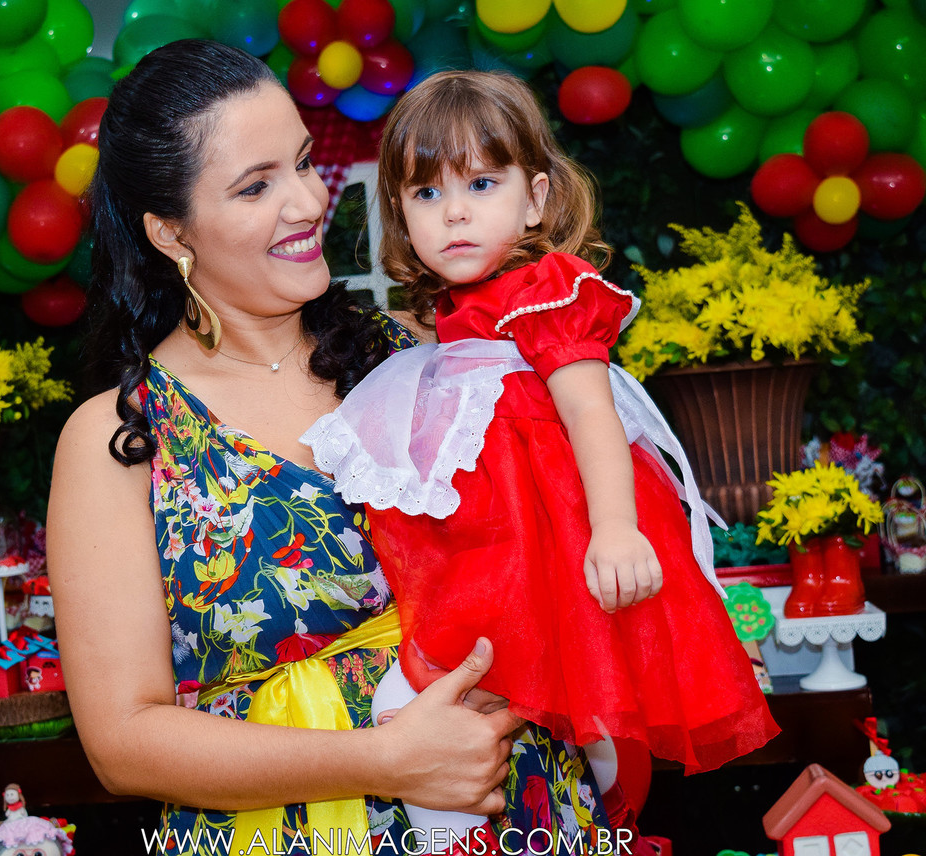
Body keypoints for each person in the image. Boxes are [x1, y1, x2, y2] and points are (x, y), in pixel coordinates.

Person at [48, 40, 618, 856]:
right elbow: (123, 741)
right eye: (256, 186)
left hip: (518, 810)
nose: (310, 201)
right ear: (171, 231)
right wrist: (386, 760)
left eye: (306, 163)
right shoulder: (121, 439)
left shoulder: (429, 357)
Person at [301, 70, 781, 842]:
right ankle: (490, 817)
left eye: (482, 183)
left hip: (557, 538)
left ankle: (602, 798)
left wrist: (618, 528)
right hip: (494, 546)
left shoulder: (550, 289)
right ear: (399, 214)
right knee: (448, 697)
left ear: (536, 198)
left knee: (533, 692)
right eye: (426, 194)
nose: (454, 212)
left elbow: (593, 413)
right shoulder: (451, 313)